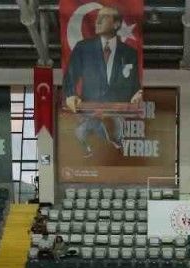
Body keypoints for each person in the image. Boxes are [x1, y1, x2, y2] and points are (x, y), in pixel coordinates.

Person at [62, 4, 143, 156]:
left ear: (116, 24)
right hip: (90, 108)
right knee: (82, 133)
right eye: (97, 17)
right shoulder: (83, 48)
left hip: (116, 111)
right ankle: (90, 149)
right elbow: (71, 75)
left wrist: (137, 94)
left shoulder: (129, 53)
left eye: (104, 17)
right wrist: (70, 94)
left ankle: (115, 141)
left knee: (113, 137)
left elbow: (134, 85)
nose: (97, 21)